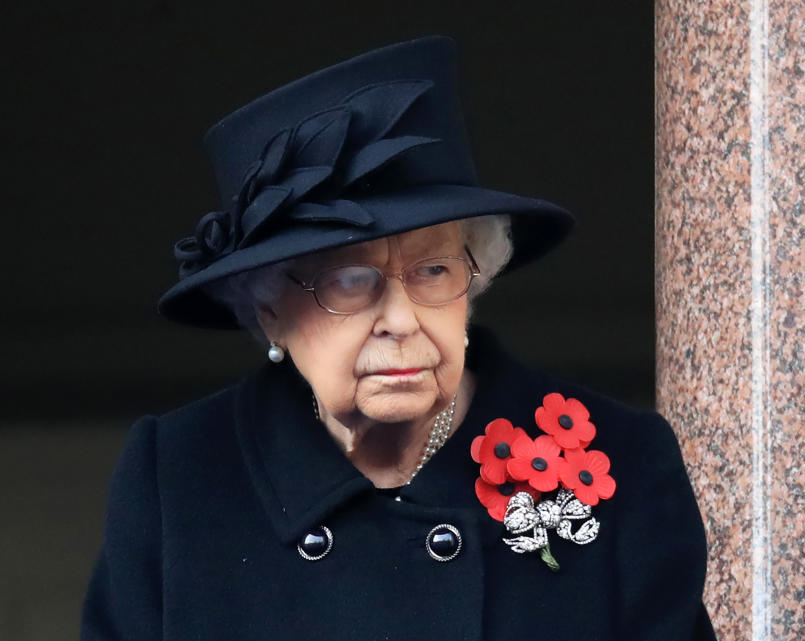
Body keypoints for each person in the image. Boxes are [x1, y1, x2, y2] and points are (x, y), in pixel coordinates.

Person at [82, 36, 716, 640]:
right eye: (351, 281)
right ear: (268, 310)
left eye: (433, 270)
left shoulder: (622, 463)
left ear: (476, 276)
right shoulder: (180, 478)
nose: (403, 318)